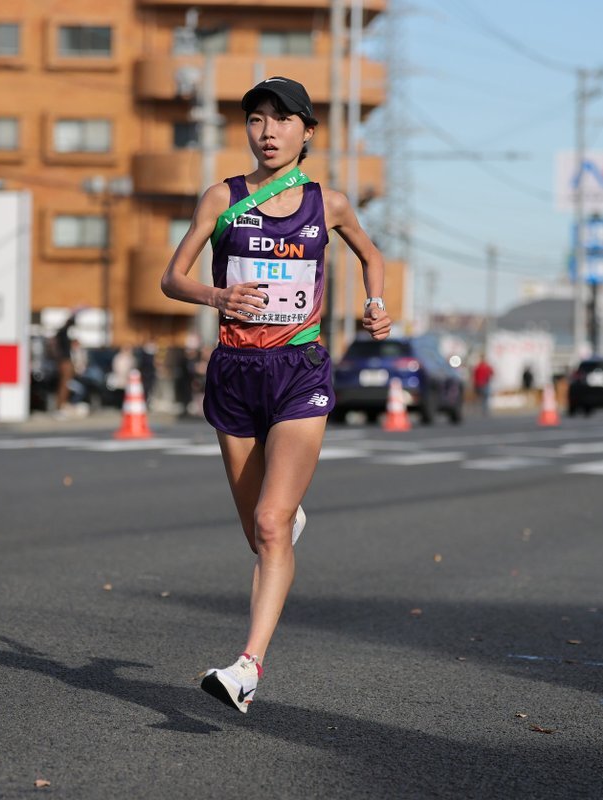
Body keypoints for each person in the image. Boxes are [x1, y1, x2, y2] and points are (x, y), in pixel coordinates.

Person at [160, 76, 391, 714]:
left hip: (300, 371)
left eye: (283, 120)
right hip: (235, 372)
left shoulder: (328, 204)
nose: (268, 132)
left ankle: (248, 667)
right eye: (257, 119)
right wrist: (217, 295)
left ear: (307, 132)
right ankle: (286, 520)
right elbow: (172, 278)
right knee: (258, 534)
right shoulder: (222, 198)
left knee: (269, 523)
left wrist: (375, 304)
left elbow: (371, 256)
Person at [52, 311, 77, 414]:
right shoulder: (63, 332)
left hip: (64, 360)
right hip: (65, 361)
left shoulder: (63, 333)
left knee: (65, 384)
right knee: (64, 384)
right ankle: (60, 406)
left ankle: (62, 405)